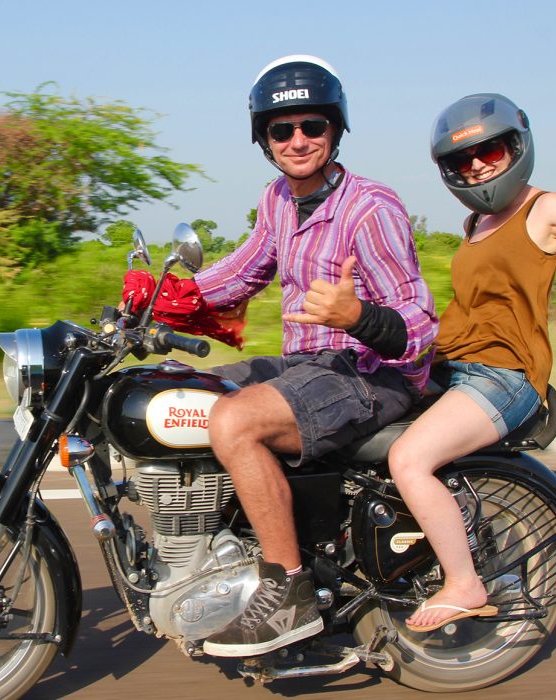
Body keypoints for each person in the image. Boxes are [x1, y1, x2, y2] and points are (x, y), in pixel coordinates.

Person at [179, 55, 438, 657]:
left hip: (373, 373)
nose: (297, 141)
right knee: (185, 395)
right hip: (310, 368)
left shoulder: (371, 209)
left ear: (336, 129)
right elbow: (242, 273)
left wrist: (359, 317)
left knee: (234, 420)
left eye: (312, 127)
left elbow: (421, 325)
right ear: (263, 138)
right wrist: (161, 298)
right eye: (281, 129)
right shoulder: (277, 200)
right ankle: (229, 545)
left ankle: (287, 592)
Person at [387, 93, 556, 633]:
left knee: (409, 459)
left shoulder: (546, 208)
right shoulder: (476, 220)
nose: (476, 165)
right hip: (451, 367)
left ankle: (464, 583)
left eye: (489, 150)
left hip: (504, 377)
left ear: (515, 147)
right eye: (461, 160)